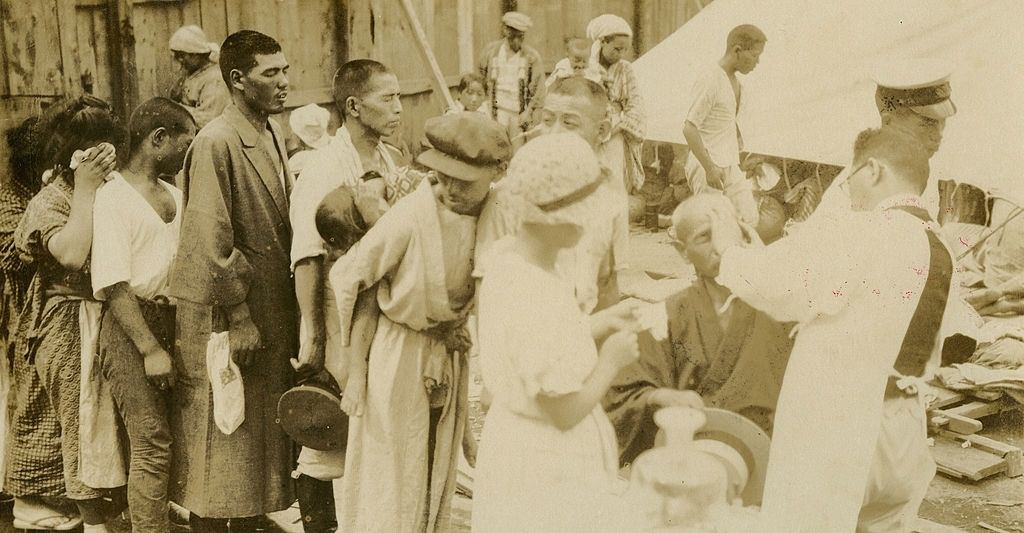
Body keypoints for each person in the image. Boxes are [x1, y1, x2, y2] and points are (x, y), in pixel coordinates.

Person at [714, 127, 954, 531]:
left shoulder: (867, 229)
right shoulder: (942, 246)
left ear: (873, 170)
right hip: (906, 428)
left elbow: (779, 284)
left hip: (846, 424)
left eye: (851, 177)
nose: (850, 194)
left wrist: (727, 253)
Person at [329, 112, 510, 533]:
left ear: (496, 172)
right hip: (399, 349)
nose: (450, 189)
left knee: (435, 461)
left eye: (464, 181)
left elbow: (497, 285)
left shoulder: (498, 211)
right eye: (443, 177)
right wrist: (354, 369)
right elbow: (353, 278)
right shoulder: (412, 214)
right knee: (392, 469)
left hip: (447, 352)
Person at [473, 133, 641, 533]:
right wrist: (610, 360)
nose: (588, 223)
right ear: (556, 218)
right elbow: (563, 411)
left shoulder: (508, 260)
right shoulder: (537, 292)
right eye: (583, 213)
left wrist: (597, 323)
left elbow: (533, 345)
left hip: (514, 445)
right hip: (546, 463)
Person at [167, 30, 296, 532]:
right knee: (224, 439)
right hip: (229, 313)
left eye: (285, 70)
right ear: (238, 81)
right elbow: (208, 243)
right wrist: (239, 319)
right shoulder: (216, 141)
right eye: (271, 74)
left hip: (269, 308)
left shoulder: (271, 131)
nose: (284, 82)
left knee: (256, 448)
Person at [287, 59, 418, 532]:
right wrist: (312, 336)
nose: (399, 108)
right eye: (388, 98)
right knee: (327, 430)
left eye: (400, 97)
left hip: (380, 309)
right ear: (353, 106)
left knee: (376, 424)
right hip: (336, 307)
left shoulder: (388, 158)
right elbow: (306, 256)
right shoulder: (324, 167)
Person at [604, 194, 793, 466]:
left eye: (727, 234)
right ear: (681, 250)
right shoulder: (669, 315)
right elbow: (624, 395)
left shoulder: (780, 305)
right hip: (690, 456)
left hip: (770, 459)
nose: (719, 247)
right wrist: (661, 396)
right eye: (705, 237)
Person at [14, 100, 126, 532]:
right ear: (76, 155)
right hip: (68, 322)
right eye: (100, 149)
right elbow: (74, 255)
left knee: (106, 418)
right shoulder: (51, 201)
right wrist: (84, 187)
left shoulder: (104, 188)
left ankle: (108, 509)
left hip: (105, 313)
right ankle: (92, 520)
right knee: (82, 419)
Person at [90, 98, 195, 533]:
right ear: (158, 140)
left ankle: (156, 520)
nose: (188, 157)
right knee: (151, 441)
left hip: (175, 321)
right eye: (184, 147)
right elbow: (114, 285)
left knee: (170, 440)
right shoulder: (113, 197)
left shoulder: (175, 193)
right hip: (133, 326)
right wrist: (151, 349)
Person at [477, 77, 629, 315]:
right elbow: (486, 291)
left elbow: (607, 284)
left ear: (602, 131)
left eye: (569, 124)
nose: (555, 133)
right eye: (547, 121)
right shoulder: (509, 194)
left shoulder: (608, 194)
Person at [2, 109, 80, 531]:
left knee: (58, 411)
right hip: (26, 312)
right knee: (34, 404)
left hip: (53, 306)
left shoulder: (44, 193)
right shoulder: (14, 200)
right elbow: (15, 257)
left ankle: (60, 495)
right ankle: (29, 499)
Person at [681, 24, 766, 226]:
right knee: (712, 230)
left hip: (729, 163)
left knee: (749, 220)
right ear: (737, 50)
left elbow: (728, 124)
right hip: (707, 164)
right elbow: (689, 127)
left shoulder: (736, 82)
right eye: (755, 55)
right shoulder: (711, 78)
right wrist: (709, 167)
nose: (758, 62)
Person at [586, 14, 646, 196]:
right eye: (616, 49)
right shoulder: (586, 66)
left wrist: (616, 128)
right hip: (590, 130)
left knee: (613, 179)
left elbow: (636, 105)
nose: (620, 54)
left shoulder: (626, 69)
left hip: (616, 131)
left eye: (624, 50)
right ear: (603, 41)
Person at [478, 11, 544, 131]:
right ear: (505, 30)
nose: (516, 40)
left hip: (518, 114)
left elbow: (539, 91)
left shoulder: (532, 57)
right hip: (495, 111)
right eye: (512, 35)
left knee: (516, 146)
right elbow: (481, 77)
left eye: (520, 36)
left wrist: (528, 113)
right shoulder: (491, 52)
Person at [169, 25, 230, 129]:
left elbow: (208, 120)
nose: (178, 59)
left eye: (182, 55)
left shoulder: (215, 79)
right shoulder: (191, 73)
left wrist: (174, 109)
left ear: (196, 54)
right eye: (176, 55)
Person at [287, 103, 332, 179]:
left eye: (294, 131)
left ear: (300, 137)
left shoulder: (299, 159)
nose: (291, 133)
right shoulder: (330, 153)